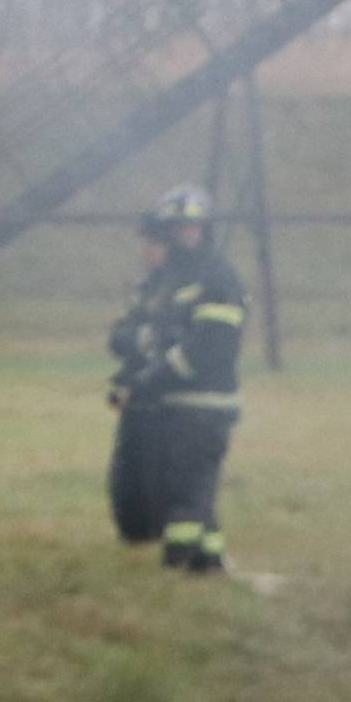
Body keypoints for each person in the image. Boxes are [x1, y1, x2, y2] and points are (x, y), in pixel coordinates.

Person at [106, 183, 245, 574]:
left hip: (205, 404)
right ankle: (208, 561)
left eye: (193, 228)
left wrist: (154, 376)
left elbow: (210, 349)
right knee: (179, 490)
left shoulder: (216, 278)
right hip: (171, 403)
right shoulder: (169, 281)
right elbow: (132, 336)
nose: (185, 236)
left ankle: (178, 565)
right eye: (177, 228)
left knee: (187, 491)